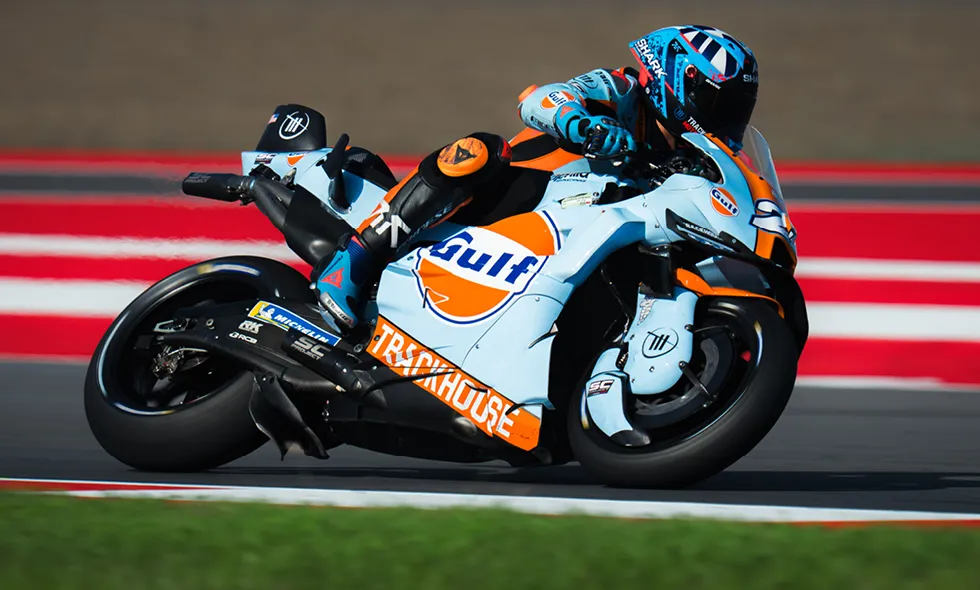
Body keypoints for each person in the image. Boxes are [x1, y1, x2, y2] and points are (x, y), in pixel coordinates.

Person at [313, 24, 760, 330]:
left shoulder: (690, 159)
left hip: (565, 243)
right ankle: (355, 260)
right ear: (681, 80)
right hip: (515, 196)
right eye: (723, 105)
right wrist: (583, 126)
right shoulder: (621, 90)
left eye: (739, 111)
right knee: (479, 150)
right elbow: (540, 99)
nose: (730, 121)